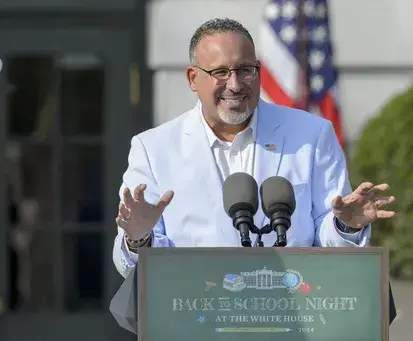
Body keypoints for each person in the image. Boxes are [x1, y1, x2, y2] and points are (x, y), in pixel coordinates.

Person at [112, 18, 395, 279]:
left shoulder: (312, 134)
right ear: (192, 79)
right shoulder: (153, 148)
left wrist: (346, 226)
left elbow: (329, 242)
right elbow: (134, 265)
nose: (234, 85)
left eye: (245, 70)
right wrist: (138, 238)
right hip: (196, 316)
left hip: (292, 313)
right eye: (220, 72)